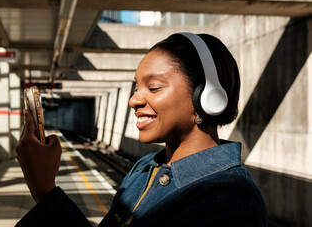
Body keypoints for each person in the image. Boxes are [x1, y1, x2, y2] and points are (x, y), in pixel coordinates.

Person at [16, 32, 267, 226]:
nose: (134, 100)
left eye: (154, 87)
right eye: (136, 88)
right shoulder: (145, 167)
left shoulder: (230, 200)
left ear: (207, 98)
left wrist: (45, 191)